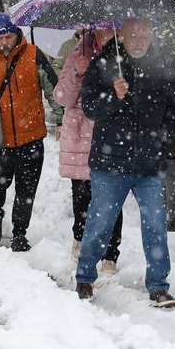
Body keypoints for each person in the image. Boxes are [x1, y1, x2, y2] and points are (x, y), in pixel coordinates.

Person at [74, 18, 175, 306]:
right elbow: (90, 107)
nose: (137, 39)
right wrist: (113, 96)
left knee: (156, 225)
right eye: (132, 33)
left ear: (151, 36)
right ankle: (85, 278)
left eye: (144, 34)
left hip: (149, 166)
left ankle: (158, 286)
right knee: (100, 223)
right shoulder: (103, 65)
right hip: (110, 164)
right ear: (121, 34)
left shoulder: (164, 68)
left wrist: (161, 143)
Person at [0, 13, 63, 252]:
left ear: (16, 34)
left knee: (26, 191)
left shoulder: (33, 55)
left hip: (31, 138)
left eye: (8, 37)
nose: (4, 43)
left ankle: (19, 233)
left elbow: (53, 89)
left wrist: (61, 118)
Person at [54, 28, 124, 271]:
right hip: (81, 138)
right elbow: (61, 97)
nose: (105, 33)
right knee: (83, 195)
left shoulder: (122, 57)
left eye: (109, 28)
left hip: (110, 136)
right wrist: (77, 74)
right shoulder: (78, 55)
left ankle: (110, 254)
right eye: (101, 29)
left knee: (112, 197)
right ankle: (81, 239)